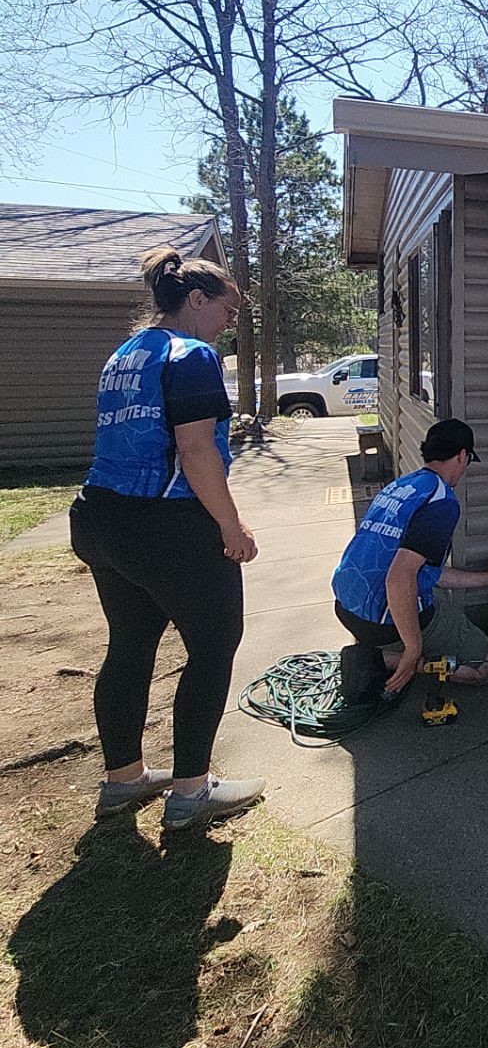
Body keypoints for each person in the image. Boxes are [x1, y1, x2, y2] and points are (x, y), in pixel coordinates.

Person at [69, 247, 266, 831]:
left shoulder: (125, 354)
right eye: (227, 311)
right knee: (213, 646)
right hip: (167, 524)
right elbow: (196, 449)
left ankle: (124, 781)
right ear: (196, 299)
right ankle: (191, 793)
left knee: (130, 644)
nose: (229, 325)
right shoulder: (192, 355)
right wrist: (232, 527)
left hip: (102, 517)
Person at [332, 418, 488, 694]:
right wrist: (413, 649)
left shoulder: (402, 487)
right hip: (381, 618)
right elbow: (400, 578)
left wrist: (486, 578)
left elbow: (422, 571)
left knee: (435, 595)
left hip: (346, 606)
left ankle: (380, 648)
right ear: (462, 456)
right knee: (487, 666)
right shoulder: (441, 503)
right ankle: (382, 659)